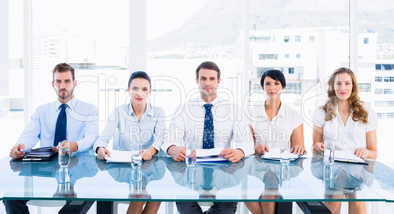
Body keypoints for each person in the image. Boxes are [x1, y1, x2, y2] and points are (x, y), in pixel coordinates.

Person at [162, 61, 254, 214]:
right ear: (197, 81)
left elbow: (247, 142)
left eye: (212, 79)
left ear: (218, 81)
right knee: (184, 204)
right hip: (190, 171)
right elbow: (169, 140)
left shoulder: (233, 109)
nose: (207, 83)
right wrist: (172, 148)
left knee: (226, 208)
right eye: (203, 78)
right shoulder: (183, 109)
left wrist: (239, 152)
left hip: (224, 172)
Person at [5, 63, 99, 214]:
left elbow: (92, 138)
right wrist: (20, 146)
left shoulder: (89, 110)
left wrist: (74, 145)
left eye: (67, 81)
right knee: (10, 197)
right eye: (58, 81)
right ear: (53, 84)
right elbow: (29, 134)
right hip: (45, 171)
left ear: (74, 83)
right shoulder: (42, 111)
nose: (63, 86)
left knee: (88, 195)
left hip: (77, 171)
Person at [94, 71, 165, 214]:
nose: (139, 93)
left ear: (150, 91)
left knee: (157, 193)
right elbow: (103, 137)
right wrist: (100, 149)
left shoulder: (158, 112)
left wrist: (150, 151)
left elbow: (161, 139)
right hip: (124, 169)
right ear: (128, 90)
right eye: (135, 89)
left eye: (144, 89)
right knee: (140, 194)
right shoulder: (118, 112)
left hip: (150, 167)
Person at [311, 67, 378, 214]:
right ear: (332, 86)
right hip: (331, 169)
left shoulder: (367, 113)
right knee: (335, 196)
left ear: (353, 86)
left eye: (347, 83)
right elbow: (315, 147)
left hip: (358, 170)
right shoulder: (321, 112)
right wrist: (317, 146)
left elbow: (374, 153)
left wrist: (365, 151)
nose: (343, 88)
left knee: (356, 197)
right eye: (338, 83)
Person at [245, 69, 306, 214]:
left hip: (283, 168)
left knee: (271, 182)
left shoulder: (293, 115)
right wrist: (255, 147)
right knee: (244, 192)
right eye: (268, 83)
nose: (272, 87)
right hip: (256, 167)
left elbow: (300, 146)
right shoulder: (251, 114)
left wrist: (299, 148)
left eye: (276, 83)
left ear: (283, 87)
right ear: (263, 87)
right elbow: (245, 145)